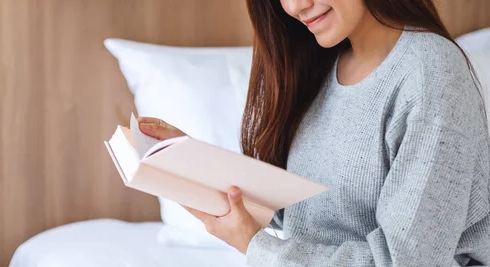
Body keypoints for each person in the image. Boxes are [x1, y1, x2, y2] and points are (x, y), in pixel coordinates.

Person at [137, 0, 490, 266]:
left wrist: (257, 246)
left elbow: (407, 261)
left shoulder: (429, 73)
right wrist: (194, 162)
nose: (294, 7)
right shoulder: (323, 67)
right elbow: (308, 211)